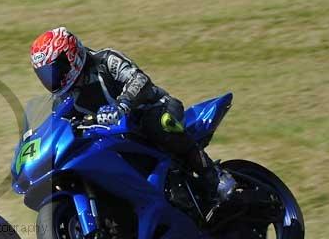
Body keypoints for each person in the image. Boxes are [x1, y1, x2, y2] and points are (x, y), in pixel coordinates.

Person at [29, 26, 222, 206]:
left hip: (154, 108)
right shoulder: (63, 97)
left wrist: (123, 105)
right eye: (45, 74)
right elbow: (57, 122)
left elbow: (139, 80)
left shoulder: (105, 60)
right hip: (116, 135)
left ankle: (213, 177)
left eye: (56, 70)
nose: (53, 78)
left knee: (158, 123)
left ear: (71, 56)